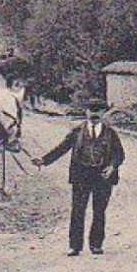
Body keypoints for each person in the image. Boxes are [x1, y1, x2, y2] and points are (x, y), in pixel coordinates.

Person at [39, 100, 126, 256]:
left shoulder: (111, 133)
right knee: (78, 211)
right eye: (91, 110)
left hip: (102, 178)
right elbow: (62, 148)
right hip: (81, 176)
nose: (94, 114)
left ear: (103, 113)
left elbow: (119, 154)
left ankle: (96, 245)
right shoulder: (77, 131)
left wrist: (112, 167)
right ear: (86, 112)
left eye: (98, 111)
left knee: (99, 211)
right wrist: (44, 160)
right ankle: (75, 246)